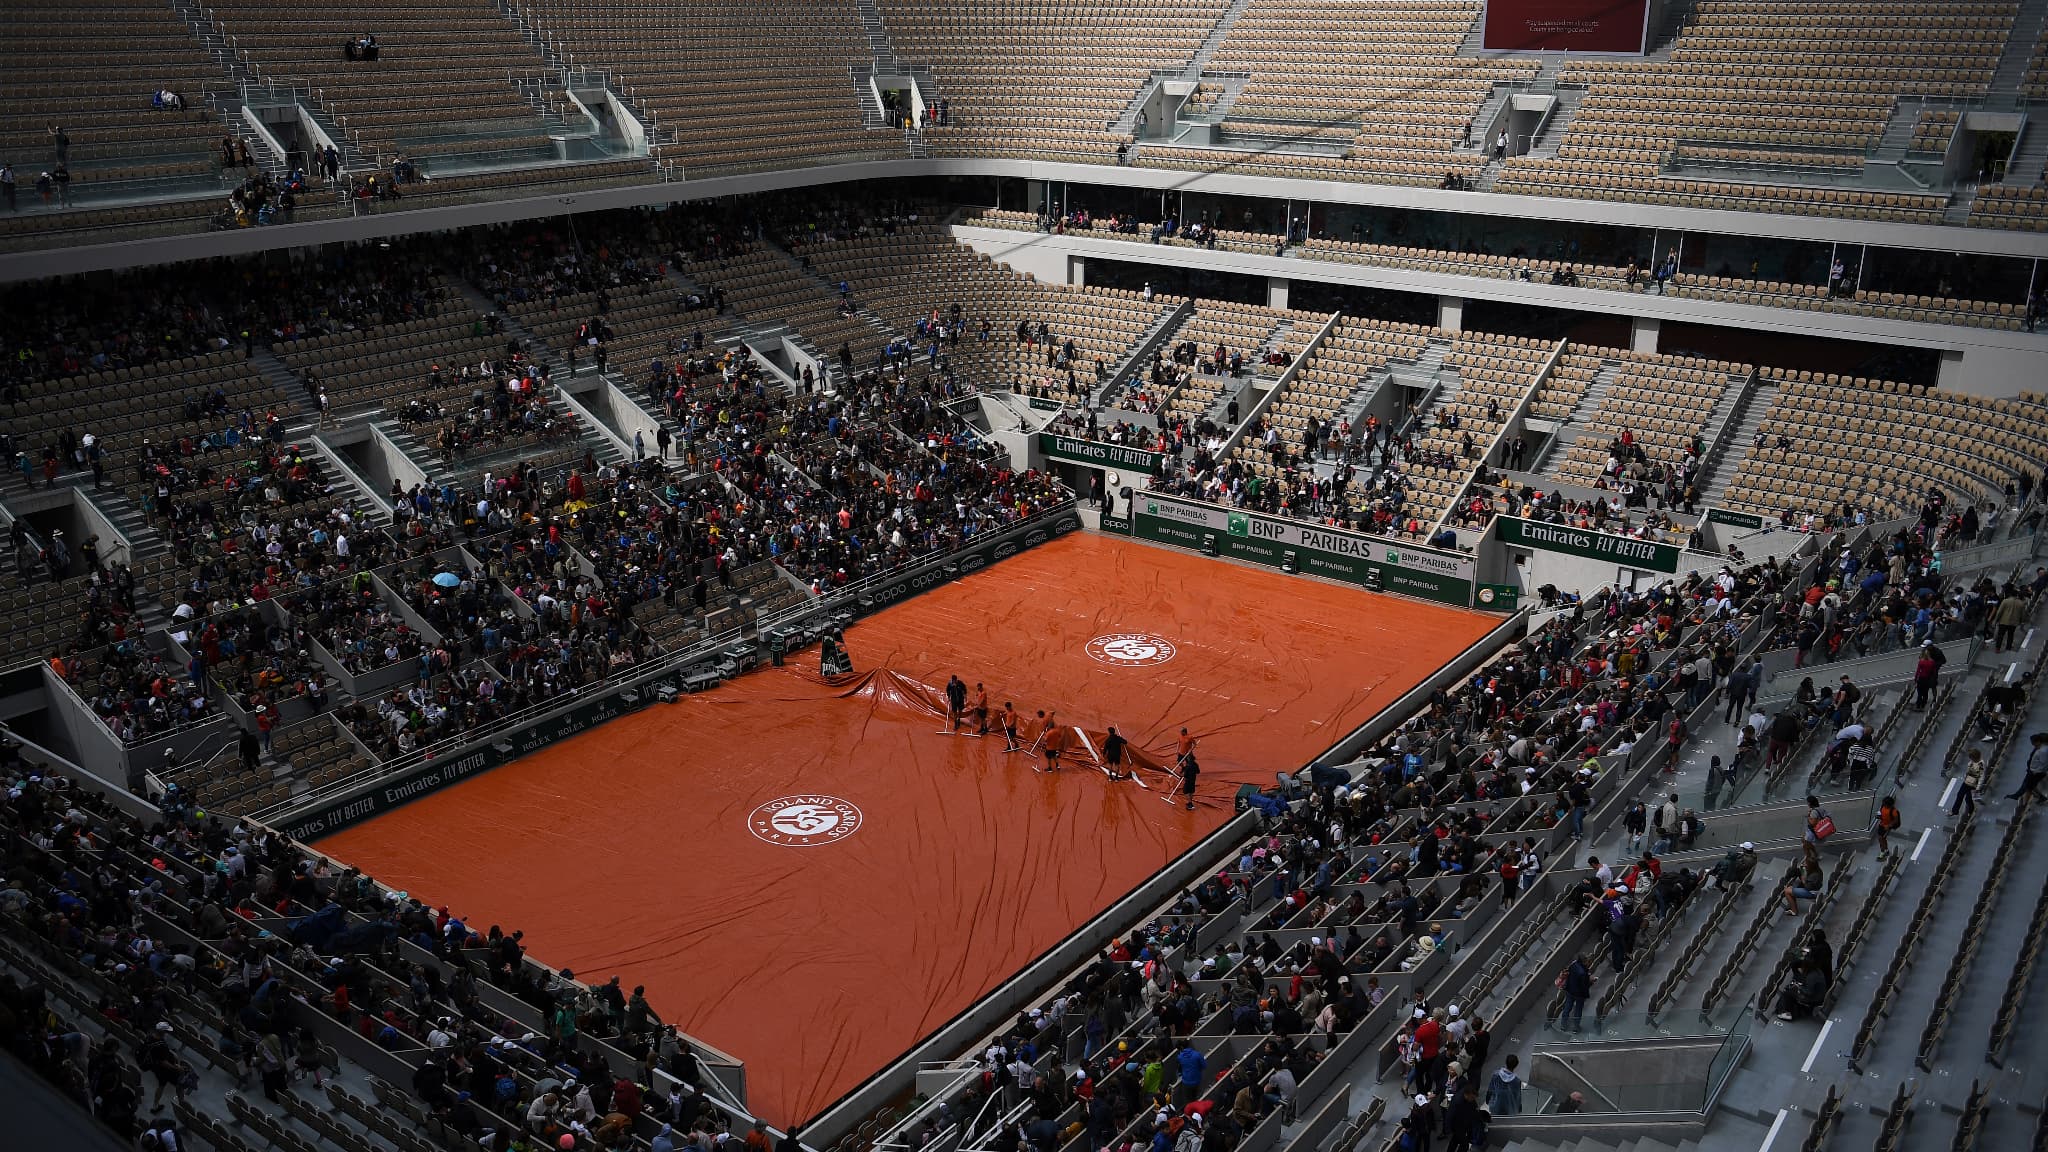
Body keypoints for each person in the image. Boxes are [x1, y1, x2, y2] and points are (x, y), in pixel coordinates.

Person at [2008, 731, 2048, 802]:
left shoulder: (2042, 751)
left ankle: (2021, 800)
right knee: (2029, 785)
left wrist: (2036, 771)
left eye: (2033, 742)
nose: (2032, 744)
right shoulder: (2038, 748)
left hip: (2035, 771)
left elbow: (2044, 763)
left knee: (2027, 786)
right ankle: (2041, 797)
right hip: (2032, 769)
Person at [1953, 747, 1984, 819]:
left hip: (1973, 784)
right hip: (1967, 781)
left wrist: (1978, 788)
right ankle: (1955, 811)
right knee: (1960, 794)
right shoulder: (1970, 763)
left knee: (1968, 799)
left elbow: (1981, 777)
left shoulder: (1980, 765)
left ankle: (1971, 811)